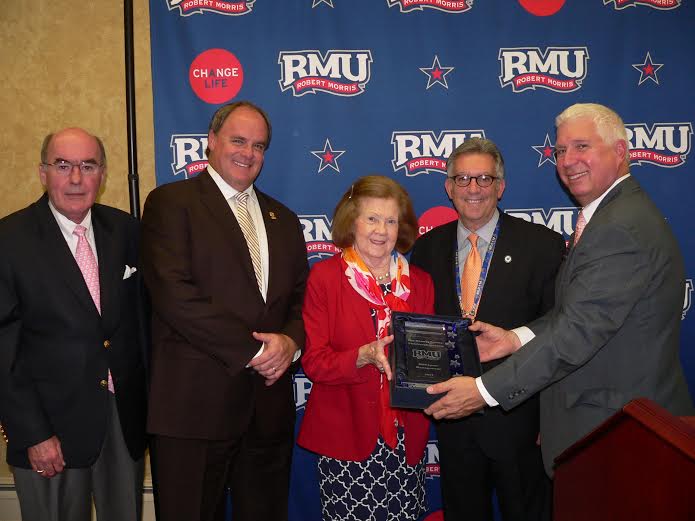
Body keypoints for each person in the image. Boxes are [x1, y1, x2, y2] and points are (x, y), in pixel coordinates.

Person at [424, 103, 694, 478]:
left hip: (622, 432)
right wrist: (514, 339)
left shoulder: (620, 227)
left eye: (582, 146)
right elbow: (573, 315)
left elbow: (577, 332)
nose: (568, 161)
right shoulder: (608, 217)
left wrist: (484, 390)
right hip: (609, 430)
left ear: (619, 152)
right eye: (561, 151)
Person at [141, 101, 308, 521]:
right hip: (194, 409)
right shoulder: (170, 202)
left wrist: (290, 343)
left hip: (266, 411)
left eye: (259, 145)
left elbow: (301, 300)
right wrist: (257, 353)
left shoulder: (284, 219)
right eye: (238, 140)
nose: (248, 153)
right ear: (212, 141)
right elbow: (173, 294)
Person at [410, 138, 565, 521]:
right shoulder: (427, 248)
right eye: (462, 179)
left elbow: (560, 330)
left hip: (520, 420)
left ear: (501, 186)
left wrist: (551, 415)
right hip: (455, 421)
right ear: (448, 188)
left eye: (484, 178)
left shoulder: (542, 245)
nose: (473, 188)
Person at [0, 128, 148, 520]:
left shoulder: (128, 231)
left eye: (88, 165)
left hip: (122, 420)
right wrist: (32, 432)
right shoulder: (8, 240)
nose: (77, 178)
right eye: (63, 165)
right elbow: (3, 349)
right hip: (49, 428)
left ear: (103, 174)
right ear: (42, 172)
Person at [297, 175, 435, 521]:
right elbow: (314, 362)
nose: (381, 230)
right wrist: (362, 356)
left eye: (391, 220)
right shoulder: (325, 278)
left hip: (406, 440)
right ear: (352, 222)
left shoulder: (420, 282)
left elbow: (427, 358)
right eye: (372, 218)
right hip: (347, 438)